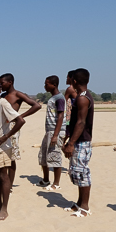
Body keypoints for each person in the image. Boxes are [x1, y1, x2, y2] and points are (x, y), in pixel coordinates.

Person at [0, 81, 25, 221]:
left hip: (2, 148)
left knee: (4, 177)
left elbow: (20, 120)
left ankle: (4, 209)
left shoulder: (3, 103)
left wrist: (6, 137)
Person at [62, 68, 94, 217]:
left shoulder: (82, 98)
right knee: (77, 172)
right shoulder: (83, 96)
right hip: (78, 140)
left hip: (82, 141)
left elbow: (81, 123)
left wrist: (71, 143)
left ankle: (85, 207)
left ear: (74, 81)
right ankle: (79, 203)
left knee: (82, 173)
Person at [0, 73, 41, 162]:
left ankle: (10, 176)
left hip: (13, 126)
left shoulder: (18, 94)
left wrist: (20, 116)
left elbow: (36, 105)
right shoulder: (2, 96)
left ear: (10, 82)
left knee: (12, 155)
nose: (0, 85)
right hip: (2, 126)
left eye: (2, 83)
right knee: (2, 152)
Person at [38, 75, 66, 191]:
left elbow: (60, 116)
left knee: (55, 156)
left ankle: (56, 183)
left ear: (54, 85)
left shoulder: (59, 98)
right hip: (49, 131)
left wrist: (55, 135)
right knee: (43, 155)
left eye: (47, 84)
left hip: (55, 131)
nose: (45, 86)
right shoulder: (53, 98)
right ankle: (46, 180)